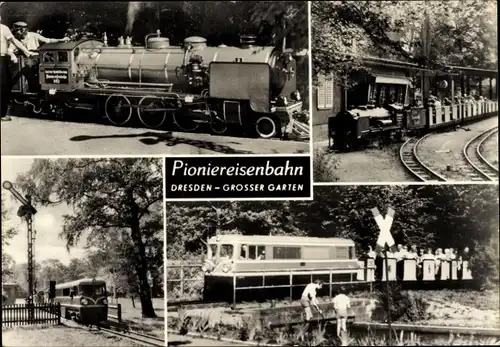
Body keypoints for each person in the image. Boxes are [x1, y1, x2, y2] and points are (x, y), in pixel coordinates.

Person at [1, 14, 35, 121]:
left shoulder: (4, 28)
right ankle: (2, 115)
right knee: (4, 87)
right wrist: (27, 52)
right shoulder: (3, 28)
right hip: (1, 59)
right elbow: (15, 42)